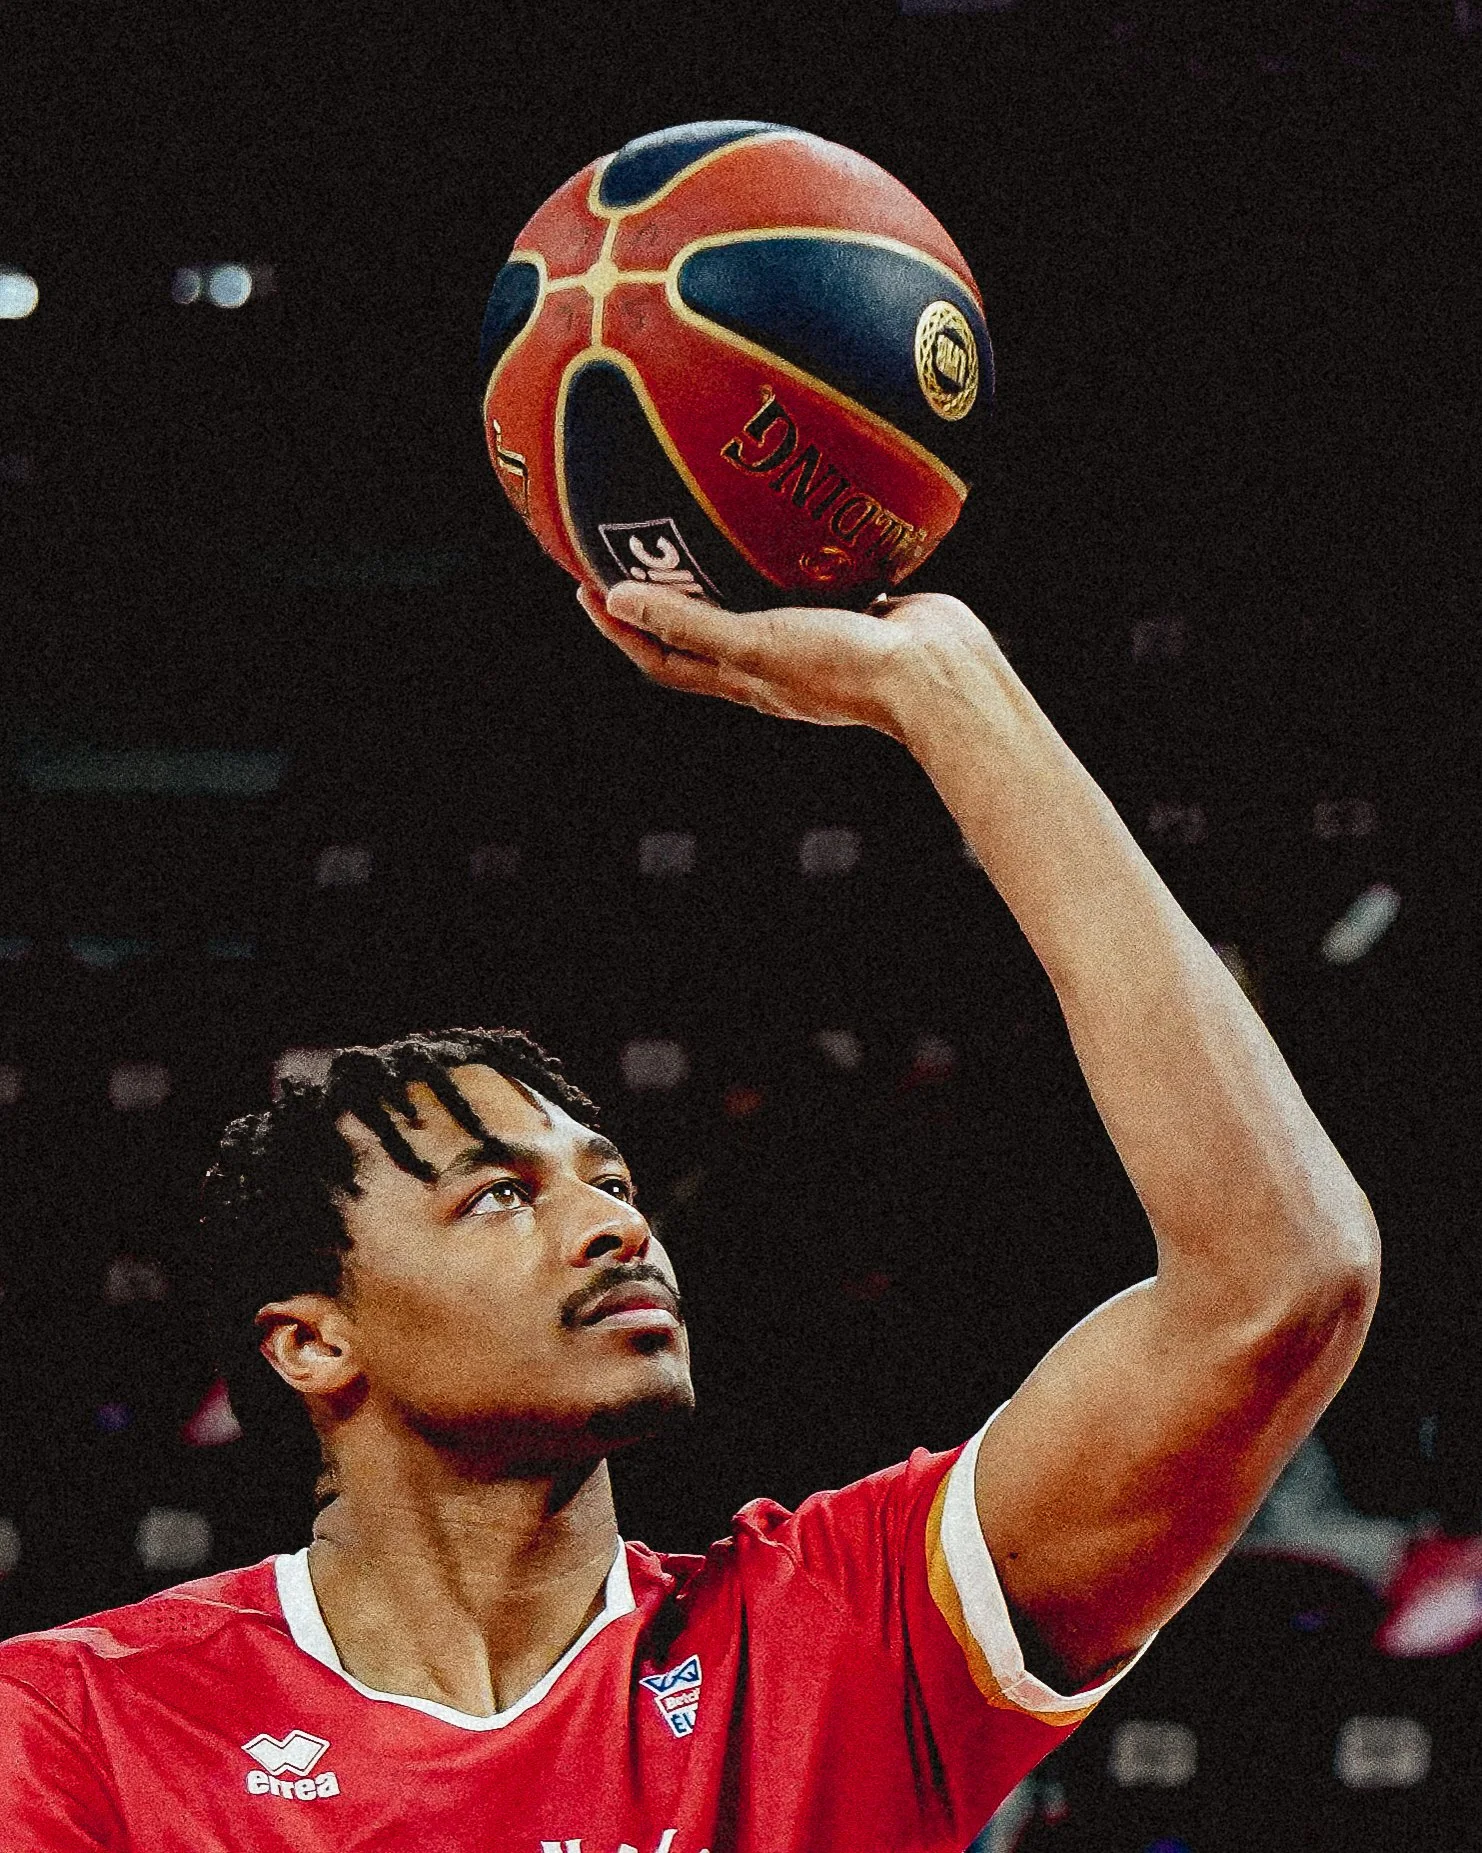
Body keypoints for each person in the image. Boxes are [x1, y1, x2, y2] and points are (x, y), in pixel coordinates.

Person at [0, 580, 1380, 1851]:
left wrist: (946, 689)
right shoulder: (79, 1727)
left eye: (612, 1183)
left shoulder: (831, 1637)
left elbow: (1279, 1284)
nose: (616, 1229)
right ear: (314, 1342)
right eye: (499, 1196)